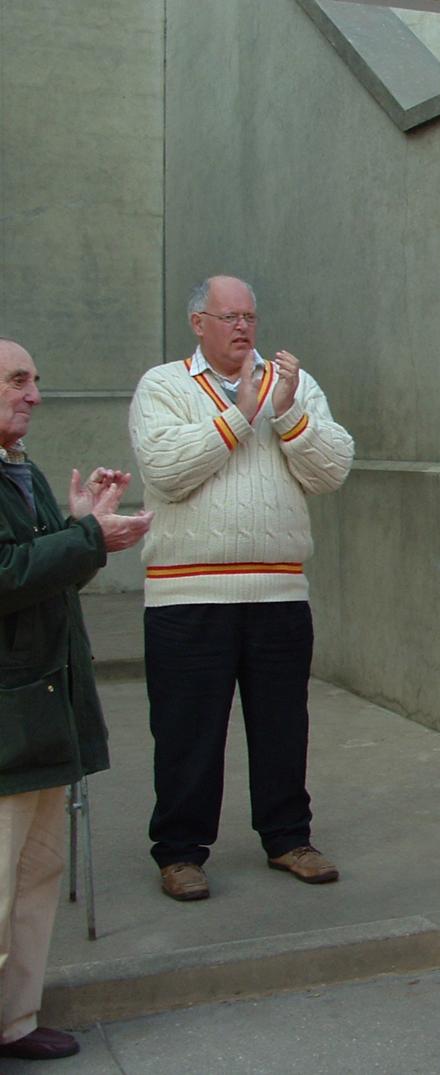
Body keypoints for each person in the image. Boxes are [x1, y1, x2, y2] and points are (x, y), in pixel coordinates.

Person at [128, 276, 354, 902]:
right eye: (228, 316)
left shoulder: (294, 387)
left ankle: (288, 838)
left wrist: (285, 412)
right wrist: (242, 413)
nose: (243, 327)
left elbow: (332, 469)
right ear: (198, 322)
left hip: (278, 594)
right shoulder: (163, 386)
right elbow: (167, 471)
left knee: (284, 727)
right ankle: (179, 852)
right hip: (186, 597)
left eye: (250, 316)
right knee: (186, 733)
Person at [0, 337, 152, 1061]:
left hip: (41, 713)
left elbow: (41, 576)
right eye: (17, 380)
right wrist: (86, 536)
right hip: (8, 720)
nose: (33, 394)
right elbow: (6, 575)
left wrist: (80, 526)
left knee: (35, 876)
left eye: (35, 379)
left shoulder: (16, 469)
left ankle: (15, 1020)